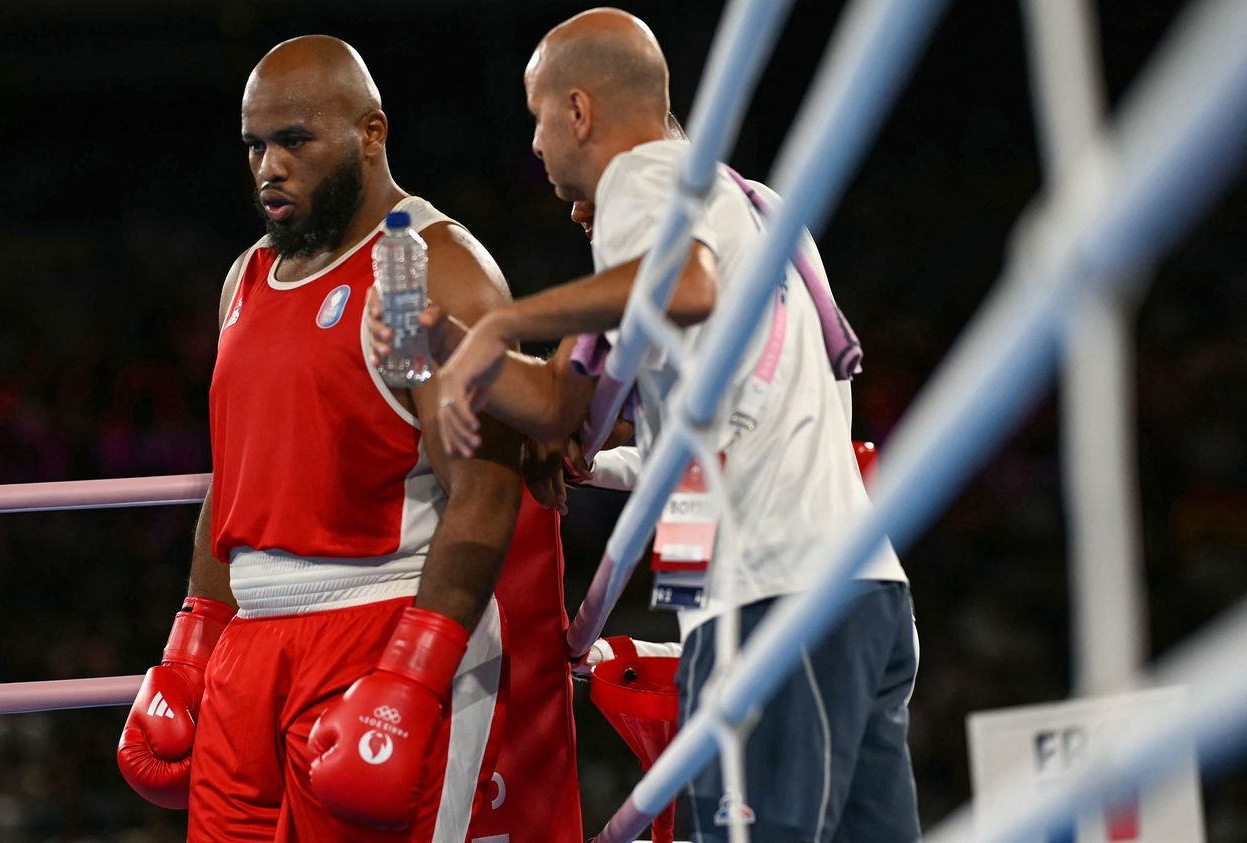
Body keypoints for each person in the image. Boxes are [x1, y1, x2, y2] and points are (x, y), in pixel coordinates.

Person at [380, 9, 921, 842]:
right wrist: (448, 339)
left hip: (769, 595)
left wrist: (497, 323)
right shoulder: (753, 205)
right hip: (862, 593)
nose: (532, 146)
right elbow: (564, 402)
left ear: (580, 112)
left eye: (536, 118)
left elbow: (683, 285)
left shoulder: (646, 179)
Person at [114, 35, 534, 842]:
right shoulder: (247, 277)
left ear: (371, 133)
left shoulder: (426, 268)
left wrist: (413, 672)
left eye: (294, 141)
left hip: (383, 621)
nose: (269, 166)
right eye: (254, 145)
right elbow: (232, 478)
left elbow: (483, 486)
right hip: (249, 650)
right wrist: (192, 643)